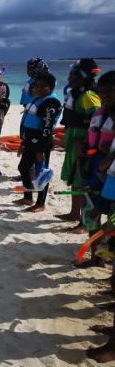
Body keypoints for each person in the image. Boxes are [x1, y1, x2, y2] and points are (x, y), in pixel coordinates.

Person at [74, 71, 115, 268]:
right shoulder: (99, 113)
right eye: (102, 90)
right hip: (93, 170)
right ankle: (95, 258)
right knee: (91, 213)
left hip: (111, 173)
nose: (105, 94)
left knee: (112, 218)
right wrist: (81, 144)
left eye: (110, 90)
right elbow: (92, 137)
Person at [56, 59, 101, 233]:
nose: (69, 77)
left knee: (83, 182)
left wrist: (83, 142)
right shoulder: (77, 94)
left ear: (82, 76)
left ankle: (84, 222)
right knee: (75, 181)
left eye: (73, 73)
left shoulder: (89, 96)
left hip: (83, 147)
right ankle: (75, 213)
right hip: (73, 144)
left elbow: (96, 121)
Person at [15, 73, 62, 212]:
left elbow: (47, 128)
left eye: (43, 86)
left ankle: (40, 204)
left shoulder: (50, 103)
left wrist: (41, 151)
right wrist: (23, 142)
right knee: (23, 167)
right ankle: (28, 197)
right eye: (36, 86)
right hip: (30, 140)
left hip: (41, 142)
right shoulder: (36, 99)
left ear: (51, 87)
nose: (39, 89)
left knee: (42, 173)